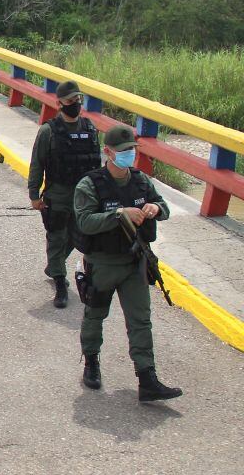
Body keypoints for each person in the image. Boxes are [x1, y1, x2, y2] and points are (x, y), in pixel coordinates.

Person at [73, 126, 182, 402]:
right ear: (108, 152)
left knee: (140, 320)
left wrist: (155, 209)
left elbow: (163, 206)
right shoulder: (90, 184)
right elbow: (85, 221)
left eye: (131, 150)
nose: (128, 155)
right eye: (122, 151)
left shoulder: (141, 181)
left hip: (134, 262)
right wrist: (119, 214)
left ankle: (147, 379)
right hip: (103, 263)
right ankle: (91, 363)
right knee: (95, 315)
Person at [29, 81, 101, 308]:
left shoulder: (89, 129)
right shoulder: (48, 131)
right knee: (56, 236)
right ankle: (60, 281)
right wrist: (34, 194)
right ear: (59, 103)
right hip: (58, 194)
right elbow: (37, 164)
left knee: (77, 235)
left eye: (78, 100)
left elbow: (97, 165)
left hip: (84, 197)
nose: (75, 104)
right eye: (70, 101)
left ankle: (54, 265)